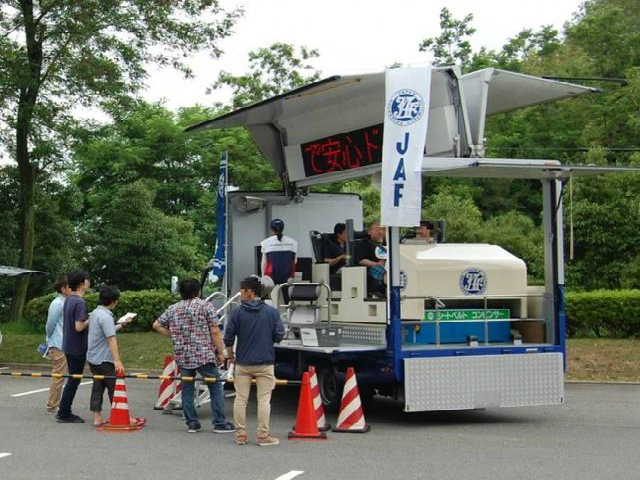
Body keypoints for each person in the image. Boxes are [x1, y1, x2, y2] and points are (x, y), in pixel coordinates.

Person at [153, 278, 234, 434]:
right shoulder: (205, 306)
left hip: (182, 355)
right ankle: (219, 422)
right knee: (215, 386)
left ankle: (192, 423)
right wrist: (221, 352)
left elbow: (156, 325)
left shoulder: (173, 308)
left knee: (187, 388)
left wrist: (173, 334)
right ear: (199, 292)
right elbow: (215, 331)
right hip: (203, 354)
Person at [223, 276, 285, 446]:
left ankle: (240, 435)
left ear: (250, 292)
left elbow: (228, 339)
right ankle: (263, 436)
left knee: (241, 399)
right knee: (264, 400)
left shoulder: (237, 313)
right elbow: (279, 335)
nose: (241, 293)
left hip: (242, 362)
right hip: (265, 361)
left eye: (243, 290)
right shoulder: (271, 312)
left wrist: (231, 356)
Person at [87, 285, 131, 427]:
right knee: (114, 386)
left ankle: (97, 417)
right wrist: (117, 361)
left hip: (93, 358)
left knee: (98, 386)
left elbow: (107, 331)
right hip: (104, 358)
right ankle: (119, 415)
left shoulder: (95, 313)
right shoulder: (106, 317)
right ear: (113, 301)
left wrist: (122, 325)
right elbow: (111, 338)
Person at [56, 269, 91, 424]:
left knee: (72, 378)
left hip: (68, 344)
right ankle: (64, 412)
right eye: (87, 280)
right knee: (74, 379)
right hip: (77, 346)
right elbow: (79, 326)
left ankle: (63, 410)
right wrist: (92, 319)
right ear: (82, 283)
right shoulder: (79, 302)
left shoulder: (69, 299)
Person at [44, 276, 71, 415]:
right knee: (58, 375)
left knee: (60, 375)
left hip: (64, 343)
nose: (72, 289)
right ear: (63, 288)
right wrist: (49, 339)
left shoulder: (65, 302)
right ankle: (52, 405)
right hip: (58, 343)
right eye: (69, 287)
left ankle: (55, 404)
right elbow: (50, 324)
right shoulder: (58, 303)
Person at [260, 218, 297, 285]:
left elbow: (264, 262)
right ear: (283, 228)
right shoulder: (293, 242)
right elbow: (295, 261)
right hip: (288, 276)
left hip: (271, 277)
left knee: (271, 295)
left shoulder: (265, 243)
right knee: (286, 294)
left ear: (271, 229)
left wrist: (263, 277)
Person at [355, 222, 387, 296]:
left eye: (382, 229)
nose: (380, 232)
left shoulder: (389, 244)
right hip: (372, 270)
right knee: (379, 269)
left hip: (388, 268)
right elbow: (361, 260)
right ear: (369, 231)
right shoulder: (363, 244)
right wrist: (377, 264)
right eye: (376, 230)